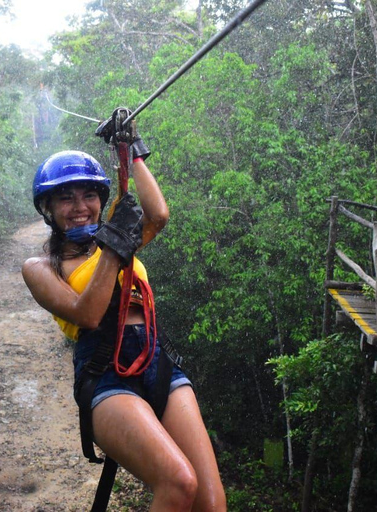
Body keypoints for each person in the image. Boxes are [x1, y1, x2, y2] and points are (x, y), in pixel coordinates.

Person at [22, 121, 226, 511]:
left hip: (155, 357)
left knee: (212, 503)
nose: (80, 206)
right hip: (104, 372)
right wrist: (115, 246)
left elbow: (158, 214)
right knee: (178, 482)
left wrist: (130, 149)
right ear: (47, 208)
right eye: (66, 198)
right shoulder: (41, 267)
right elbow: (89, 314)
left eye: (88, 195)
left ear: (100, 200)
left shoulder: (114, 241)